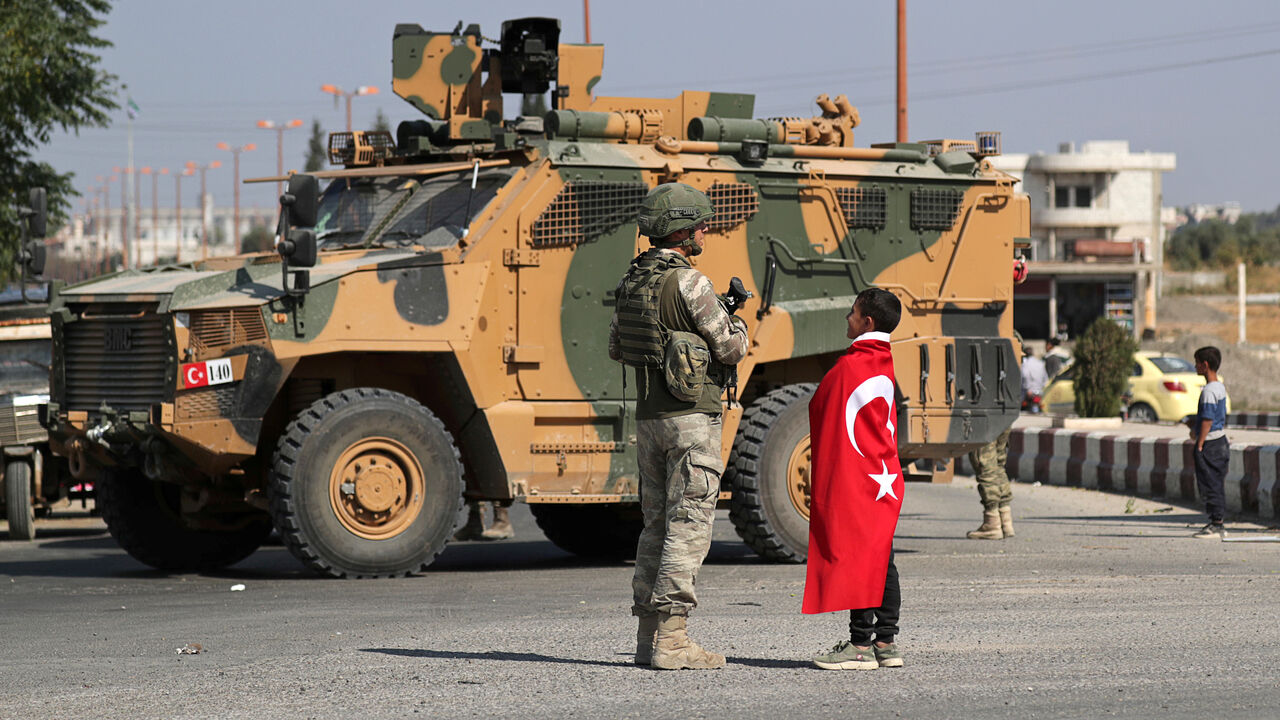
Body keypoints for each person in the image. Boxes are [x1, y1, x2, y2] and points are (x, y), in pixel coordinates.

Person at [608, 182, 749, 670]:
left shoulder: (633, 280)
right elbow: (730, 349)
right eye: (701, 224)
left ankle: (649, 638)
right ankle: (673, 642)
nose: (706, 230)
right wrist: (738, 325)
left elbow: (616, 347)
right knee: (688, 526)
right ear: (683, 231)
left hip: (650, 419)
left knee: (655, 526)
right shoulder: (690, 282)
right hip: (692, 421)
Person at [805, 288, 906, 671]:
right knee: (883, 558)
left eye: (852, 312)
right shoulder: (883, 362)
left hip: (859, 478)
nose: (846, 317)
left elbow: (821, 405)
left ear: (867, 322)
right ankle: (887, 643)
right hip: (883, 476)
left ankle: (860, 646)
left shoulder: (850, 367)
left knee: (859, 557)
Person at [1188, 346, 1229, 539]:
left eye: (1196, 362)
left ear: (1205, 365)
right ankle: (1216, 521)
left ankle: (1216, 524)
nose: (1195, 366)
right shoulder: (1219, 387)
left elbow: (1207, 420)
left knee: (1210, 483)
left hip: (1210, 444)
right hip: (1220, 441)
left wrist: (1200, 443)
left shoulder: (1208, 391)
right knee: (1216, 483)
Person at [965, 429, 1013, 540]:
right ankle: (1005, 521)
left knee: (985, 466)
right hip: (1005, 416)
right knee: (998, 464)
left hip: (984, 418)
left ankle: (992, 524)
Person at [1021, 346, 1047, 412]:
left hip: (1028, 393)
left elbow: (1025, 376)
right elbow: (1045, 378)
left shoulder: (1025, 364)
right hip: (1039, 392)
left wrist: (1028, 389)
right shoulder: (1041, 363)